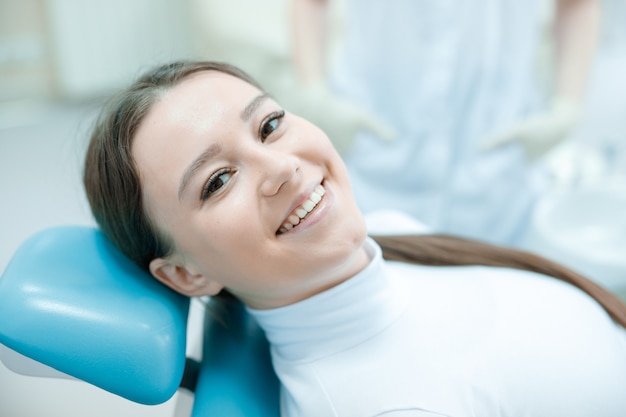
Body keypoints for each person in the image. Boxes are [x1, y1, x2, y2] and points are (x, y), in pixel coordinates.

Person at [83, 60, 626, 417]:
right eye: (218, 181)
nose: (281, 168)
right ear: (187, 274)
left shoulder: (389, 232)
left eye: (269, 126)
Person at [291, 0, 601, 246]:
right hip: (375, 147)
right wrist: (315, 91)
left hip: (497, 159)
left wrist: (567, 108)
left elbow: (577, 3)